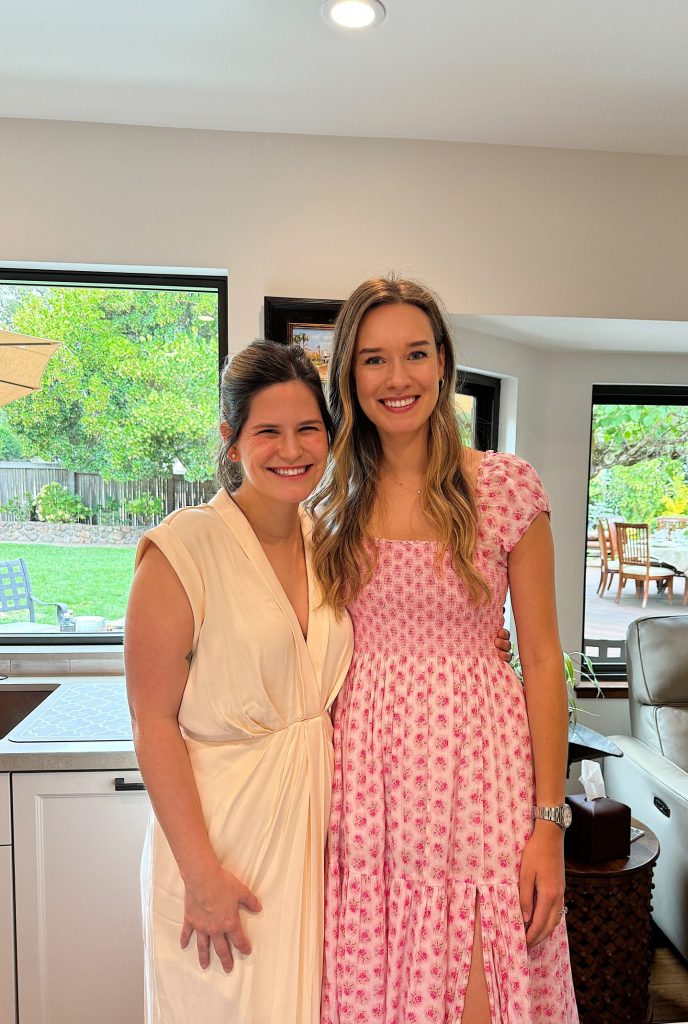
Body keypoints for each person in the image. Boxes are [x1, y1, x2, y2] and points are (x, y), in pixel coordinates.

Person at [312, 277, 579, 1024]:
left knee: (479, 990)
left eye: (415, 355)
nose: (397, 378)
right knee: (373, 981)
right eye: (373, 360)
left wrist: (549, 826)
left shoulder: (503, 489)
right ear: (349, 377)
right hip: (363, 784)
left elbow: (545, 660)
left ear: (443, 366)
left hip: (478, 773)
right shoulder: (328, 501)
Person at [124, 340, 355, 1024]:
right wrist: (201, 876)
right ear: (231, 441)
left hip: (309, 844)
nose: (292, 449)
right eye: (268, 432)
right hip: (220, 848)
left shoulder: (329, 544)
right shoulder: (183, 550)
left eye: (308, 428)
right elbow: (151, 722)